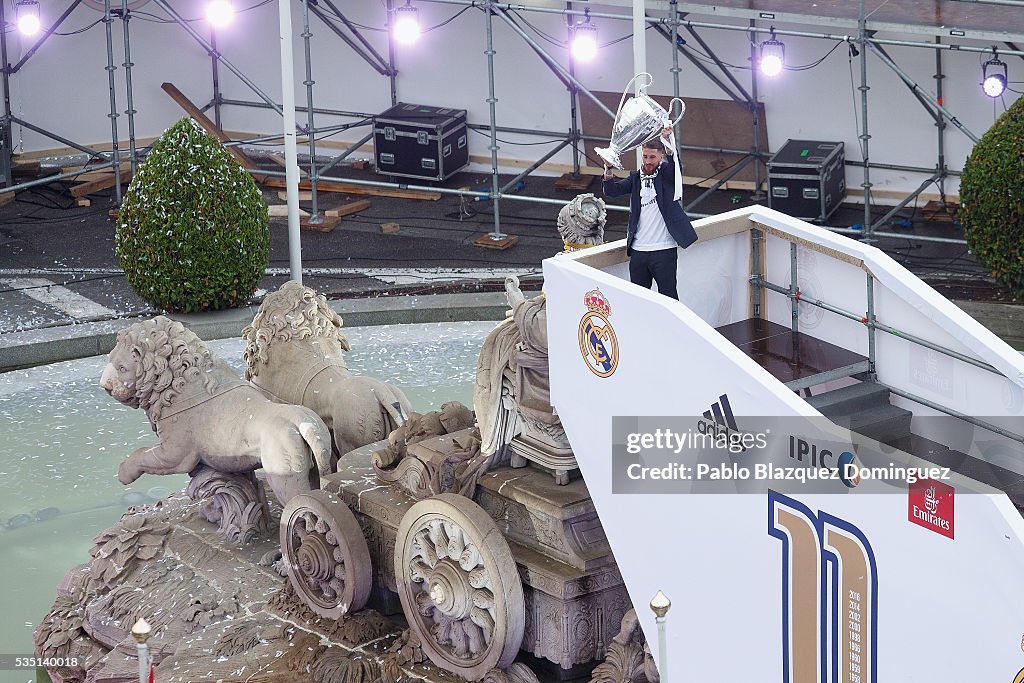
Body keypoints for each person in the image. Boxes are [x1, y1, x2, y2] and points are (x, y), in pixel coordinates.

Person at [602, 128, 698, 300]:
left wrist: (668, 141)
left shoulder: (667, 175)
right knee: (639, 300)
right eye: (645, 156)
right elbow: (611, 191)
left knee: (668, 298)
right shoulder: (635, 178)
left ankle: (670, 328)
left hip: (664, 250)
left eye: (652, 157)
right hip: (638, 251)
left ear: (661, 157)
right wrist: (608, 167)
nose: (647, 161)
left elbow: (676, 166)